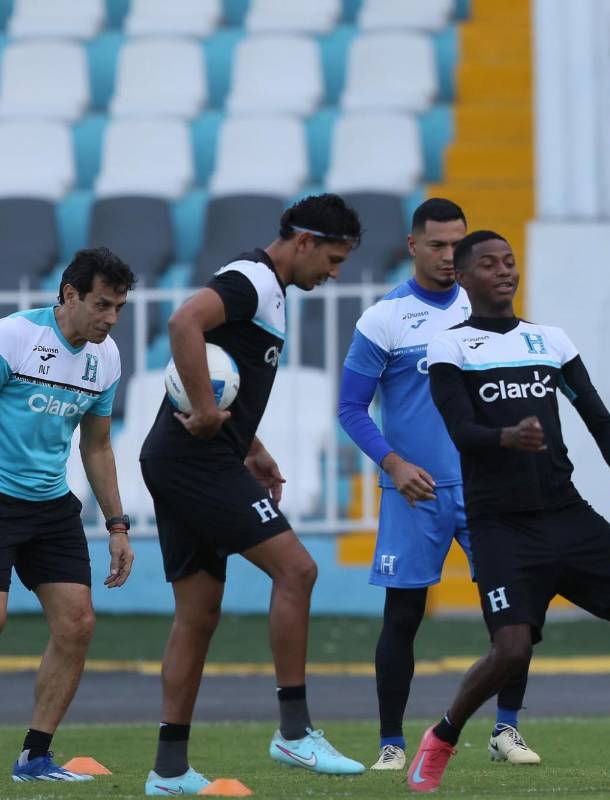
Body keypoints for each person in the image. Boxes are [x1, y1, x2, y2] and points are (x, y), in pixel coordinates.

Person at [405, 230, 610, 793]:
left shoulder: (549, 341)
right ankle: (444, 736)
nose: (504, 271)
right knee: (511, 650)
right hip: (501, 524)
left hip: (566, 513)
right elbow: (461, 430)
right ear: (463, 277)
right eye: (488, 264)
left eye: (509, 262)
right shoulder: (449, 347)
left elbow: (598, 417)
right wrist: (508, 436)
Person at [140, 195, 366, 796]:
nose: (334, 273)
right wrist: (211, 414)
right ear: (304, 241)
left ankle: (168, 771)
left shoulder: (269, 290)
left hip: (184, 458)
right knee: (298, 569)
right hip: (193, 461)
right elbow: (183, 322)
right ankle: (294, 731)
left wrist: (250, 443)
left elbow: (227, 370)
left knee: (198, 614)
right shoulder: (253, 280)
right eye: (334, 259)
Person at [339, 198, 541, 771]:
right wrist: (394, 465)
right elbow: (351, 407)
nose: (451, 256)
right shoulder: (385, 318)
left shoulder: (486, 311)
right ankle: (391, 743)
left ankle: (507, 730)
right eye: (438, 245)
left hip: (486, 490)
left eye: (458, 244)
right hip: (415, 492)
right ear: (412, 245)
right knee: (403, 617)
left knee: (512, 613)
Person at [1, 248, 136, 782]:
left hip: (51, 505)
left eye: (120, 308)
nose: (111, 318)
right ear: (69, 295)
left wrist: (118, 526)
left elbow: (97, 447)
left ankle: (35, 758)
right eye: (102, 305)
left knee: (77, 625)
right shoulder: (14, 338)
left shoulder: (106, 359)